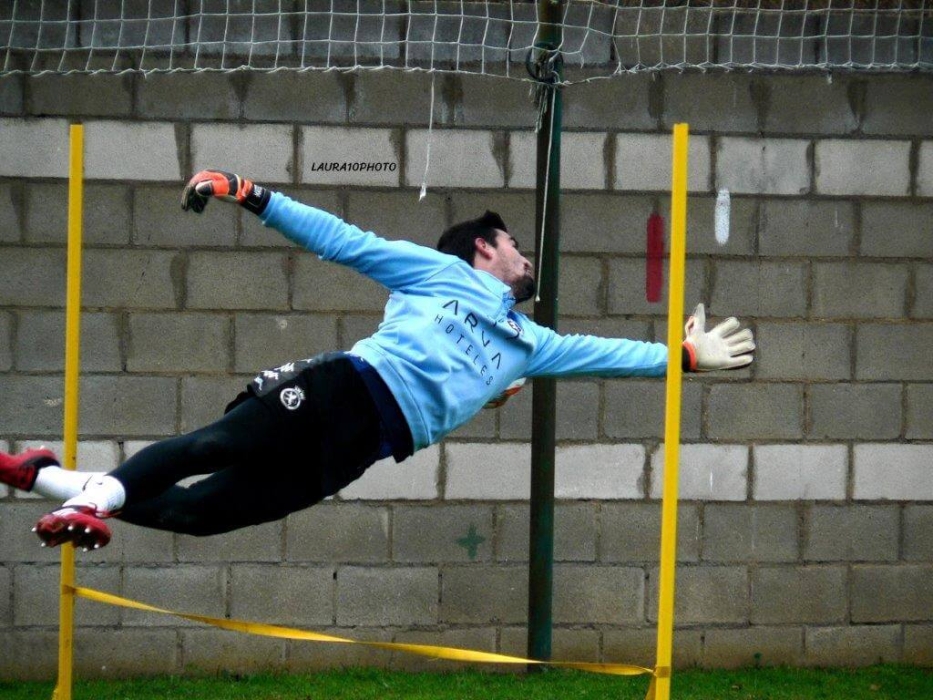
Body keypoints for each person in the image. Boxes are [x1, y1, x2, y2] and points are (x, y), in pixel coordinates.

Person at [0, 170, 755, 551]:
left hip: (367, 446)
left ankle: (49, 479)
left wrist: (685, 357)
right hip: (346, 390)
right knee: (210, 446)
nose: (527, 258)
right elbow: (341, 239)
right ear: (484, 249)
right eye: (515, 245)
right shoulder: (439, 273)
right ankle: (87, 505)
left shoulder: (533, 344)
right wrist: (251, 194)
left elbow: (614, 356)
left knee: (202, 516)